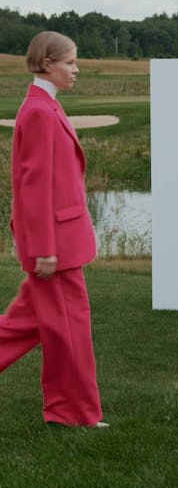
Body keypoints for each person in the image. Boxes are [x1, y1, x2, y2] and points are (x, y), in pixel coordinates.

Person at [0, 31, 108, 427]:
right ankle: (74, 413)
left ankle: (66, 410)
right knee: (69, 333)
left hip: (62, 243)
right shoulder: (40, 112)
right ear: (47, 64)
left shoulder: (45, 106)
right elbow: (33, 186)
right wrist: (44, 248)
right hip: (56, 249)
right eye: (70, 63)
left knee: (26, 328)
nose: (76, 70)